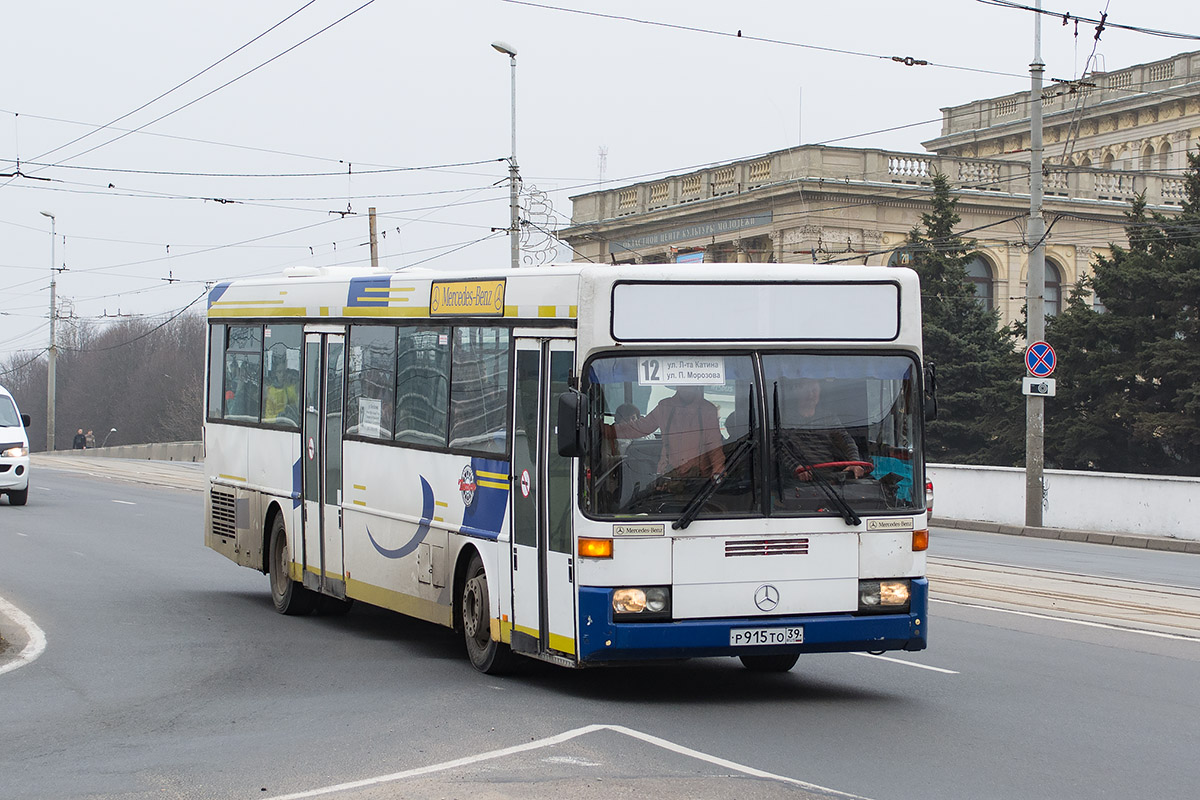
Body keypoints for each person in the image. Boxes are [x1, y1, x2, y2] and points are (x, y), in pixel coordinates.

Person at [616, 385, 725, 479]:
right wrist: (608, 430)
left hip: (699, 480)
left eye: (689, 384)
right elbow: (640, 427)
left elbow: (714, 446)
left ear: (696, 385)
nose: (686, 387)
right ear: (677, 385)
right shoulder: (664, 407)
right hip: (669, 476)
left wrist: (718, 473)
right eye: (682, 383)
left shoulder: (707, 410)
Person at [778, 378, 865, 481]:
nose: (810, 395)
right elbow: (778, 448)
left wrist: (854, 462)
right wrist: (796, 467)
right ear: (797, 392)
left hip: (830, 482)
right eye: (806, 390)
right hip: (796, 483)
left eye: (814, 390)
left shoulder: (828, 418)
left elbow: (846, 440)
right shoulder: (785, 421)